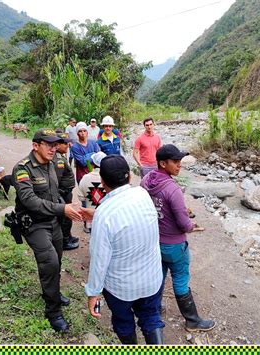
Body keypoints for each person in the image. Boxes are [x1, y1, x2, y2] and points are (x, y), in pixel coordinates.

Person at [83, 155, 165, 344]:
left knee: (123, 322)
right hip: (151, 280)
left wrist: (93, 293)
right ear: (129, 177)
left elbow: (99, 260)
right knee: (151, 318)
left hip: (121, 288)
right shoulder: (143, 195)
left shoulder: (104, 214)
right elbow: (129, 219)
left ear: (102, 182)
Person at [12, 128, 83, 333]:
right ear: (36, 146)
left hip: (53, 222)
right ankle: (53, 312)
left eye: (56, 144)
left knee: (57, 260)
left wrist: (70, 206)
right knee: (49, 262)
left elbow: (56, 192)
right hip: (34, 224)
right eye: (49, 144)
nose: (54, 148)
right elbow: (30, 201)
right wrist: (62, 209)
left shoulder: (53, 163)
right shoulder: (23, 168)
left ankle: (53, 292)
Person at [140, 144, 215, 332]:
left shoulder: (147, 180)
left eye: (180, 161)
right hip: (174, 245)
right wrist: (192, 226)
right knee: (180, 279)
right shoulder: (172, 188)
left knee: (159, 277)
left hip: (154, 242)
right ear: (163, 163)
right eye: (175, 162)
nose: (179, 165)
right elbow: (183, 224)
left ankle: (155, 310)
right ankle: (192, 321)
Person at [54, 131, 79, 250]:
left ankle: (68, 236)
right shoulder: (58, 159)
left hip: (66, 192)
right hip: (63, 193)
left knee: (68, 217)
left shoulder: (61, 156)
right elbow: (56, 180)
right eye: (65, 143)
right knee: (66, 217)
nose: (67, 145)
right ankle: (64, 241)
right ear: (57, 145)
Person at [77, 151, 106, 234]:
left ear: (92, 164)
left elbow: (80, 197)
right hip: (105, 218)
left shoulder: (85, 178)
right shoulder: (109, 178)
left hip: (90, 218)